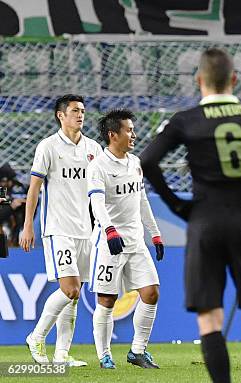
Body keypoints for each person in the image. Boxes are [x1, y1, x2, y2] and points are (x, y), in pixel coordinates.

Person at [140, 48, 241, 383]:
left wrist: (178, 206)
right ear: (234, 79)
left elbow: (146, 161)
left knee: (210, 319)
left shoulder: (186, 120)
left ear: (199, 80)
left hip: (203, 223)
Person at [20, 94, 102, 366]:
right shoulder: (48, 147)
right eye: (75, 110)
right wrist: (27, 225)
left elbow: (99, 190)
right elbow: (34, 189)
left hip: (85, 230)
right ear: (60, 115)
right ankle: (36, 336)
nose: (80, 115)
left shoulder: (93, 149)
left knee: (75, 295)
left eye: (82, 111)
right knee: (69, 289)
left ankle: (62, 356)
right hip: (58, 229)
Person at [87, 109, 165, 369]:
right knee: (107, 300)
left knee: (151, 292)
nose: (134, 134)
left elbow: (142, 200)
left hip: (135, 242)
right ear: (113, 135)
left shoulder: (135, 163)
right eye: (129, 130)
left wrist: (154, 233)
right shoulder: (98, 165)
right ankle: (104, 355)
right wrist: (109, 230)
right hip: (110, 243)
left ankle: (138, 351)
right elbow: (96, 202)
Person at [0, 163, 27, 246]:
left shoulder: (18, 186)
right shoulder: (2, 188)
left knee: (20, 212)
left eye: (4, 181)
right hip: (5, 210)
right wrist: (11, 202)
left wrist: (22, 201)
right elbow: (2, 200)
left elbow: (29, 197)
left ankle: (16, 239)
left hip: (19, 211)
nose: (2, 183)